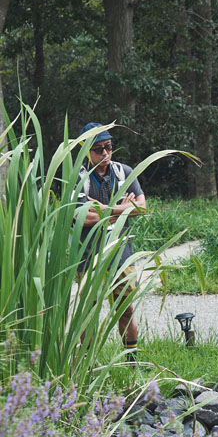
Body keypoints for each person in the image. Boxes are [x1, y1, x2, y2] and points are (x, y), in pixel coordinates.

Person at [76, 123, 146, 354]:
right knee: (88, 312)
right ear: (87, 150)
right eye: (98, 149)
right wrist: (119, 209)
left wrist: (103, 210)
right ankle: (86, 365)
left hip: (121, 252)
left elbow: (141, 207)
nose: (105, 153)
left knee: (125, 308)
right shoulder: (78, 177)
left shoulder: (123, 171)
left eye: (109, 146)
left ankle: (132, 363)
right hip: (89, 254)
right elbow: (83, 217)